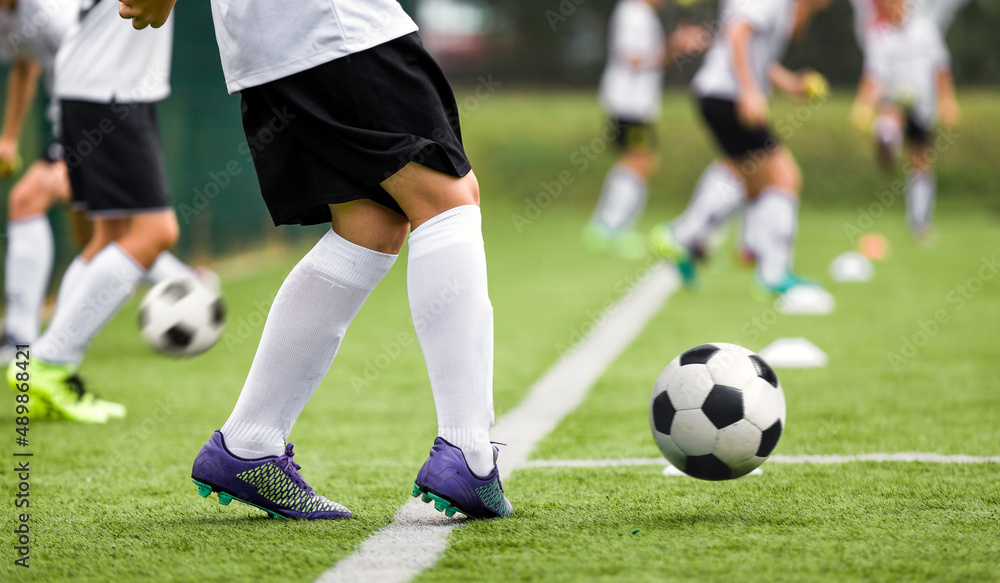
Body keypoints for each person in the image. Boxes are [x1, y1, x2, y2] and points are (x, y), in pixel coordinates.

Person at [119, 0, 514, 520]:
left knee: (371, 226)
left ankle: (249, 442)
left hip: (277, 42)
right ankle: (468, 450)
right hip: (331, 24)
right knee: (448, 198)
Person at [6, 0, 203, 423]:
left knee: (107, 237)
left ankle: (53, 368)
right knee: (156, 233)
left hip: (97, 85)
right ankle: (49, 362)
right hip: (112, 90)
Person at [649, 0, 835, 315]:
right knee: (784, 176)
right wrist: (749, 91)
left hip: (718, 93)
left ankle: (694, 239)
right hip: (728, 95)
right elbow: (737, 33)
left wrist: (789, 84)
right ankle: (772, 275)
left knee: (745, 175)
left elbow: (756, 55)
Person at [583, 0, 707, 258]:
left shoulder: (643, 14)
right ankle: (608, 227)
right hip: (627, 103)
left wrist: (676, 47)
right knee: (638, 161)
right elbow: (632, 58)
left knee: (640, 162)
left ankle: (611, 227)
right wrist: (674, 46)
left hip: (637, 104)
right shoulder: (633, 13)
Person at [0, 0, 78, 362]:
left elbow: (97, 55)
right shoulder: (11, 18)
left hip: (96, 117)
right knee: (103, 233)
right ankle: (184, 283)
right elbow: (25, 63)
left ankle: (22, 339)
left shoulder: (53, 12)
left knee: (26, 199)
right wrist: (10, 137)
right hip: (75, 122)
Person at [850, 0, 959, 242]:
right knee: (890, 122)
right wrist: (864, 104)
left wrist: (947, 100)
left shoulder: (926, 31)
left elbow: (941, 69)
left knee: (921, 162)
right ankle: (887, 143)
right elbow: (874, 78)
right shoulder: (880, 38)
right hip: (893, 104)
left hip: (922, 107)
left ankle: (920, 223)